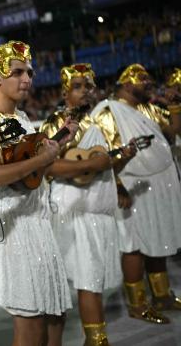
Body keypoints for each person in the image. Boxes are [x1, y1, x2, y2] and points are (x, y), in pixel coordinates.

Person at [0, 41, 77, 346]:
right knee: (31, 321)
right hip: (11, 227)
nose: (26, 78)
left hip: (37, 222)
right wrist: (42, 159)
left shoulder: (25, 120)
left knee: (55, 314)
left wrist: (59, 145)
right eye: (17, 72)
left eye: (29, 72)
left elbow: (33, 171)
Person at [40, 64, 134, 345]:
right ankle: (96, 341)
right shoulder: (55, 123)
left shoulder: (98, 122)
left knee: (95, 279)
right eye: (78, 87)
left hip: (99, 209)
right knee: (88, 280)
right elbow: (47, 167)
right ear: (65, 92)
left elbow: (106, 165)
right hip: (74, 212)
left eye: (89, 86)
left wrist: (123, 159)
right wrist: (93, 163)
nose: (85, 92)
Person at [91, 63, 181, 324]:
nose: (150, 83)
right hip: (130, 186)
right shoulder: (108, 111)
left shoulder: (147, 108)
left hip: (157, 186)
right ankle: (138, 303)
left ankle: (162, 295)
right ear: (127, 82)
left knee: (158, 237)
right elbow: (103, 151)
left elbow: (173, 131)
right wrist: (116, 185)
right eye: (145, 79)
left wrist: (175, 105)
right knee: (134, 246)